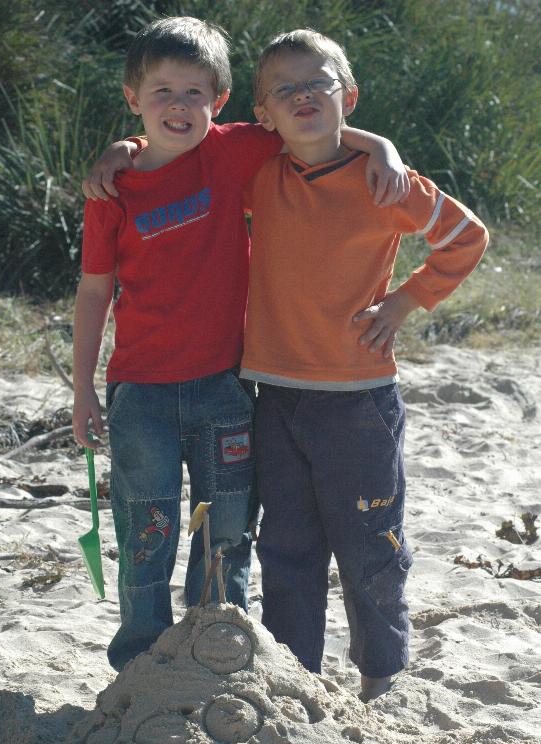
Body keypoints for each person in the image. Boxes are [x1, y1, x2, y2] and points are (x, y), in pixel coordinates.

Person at [73, 16, 409, 672]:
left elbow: (311, 123)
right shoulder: (112, 187)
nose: (178, 105)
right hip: (139, 391)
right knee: (146, 532)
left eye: (194, 92)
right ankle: (140, 660)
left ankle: (217, 650)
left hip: (227, 385)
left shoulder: (228, 152)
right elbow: (93, 292)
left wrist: (383, 148)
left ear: (219, 101)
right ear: (132, 97)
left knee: (225, 531)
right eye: (161, 91)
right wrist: (83, 387)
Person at [238, 29, 489, 702]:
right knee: (286, 546)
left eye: (316, 83)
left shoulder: (384, 181)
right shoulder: (259, 173)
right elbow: (193, 140)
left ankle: (380, 672)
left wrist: (406, 300)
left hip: (357, 398)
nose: (301, 97)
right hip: (274, 393)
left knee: (369, 544)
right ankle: (296, 677)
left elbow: (465, 239)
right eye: (283, 90)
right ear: (263, 115)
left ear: (346, 94)